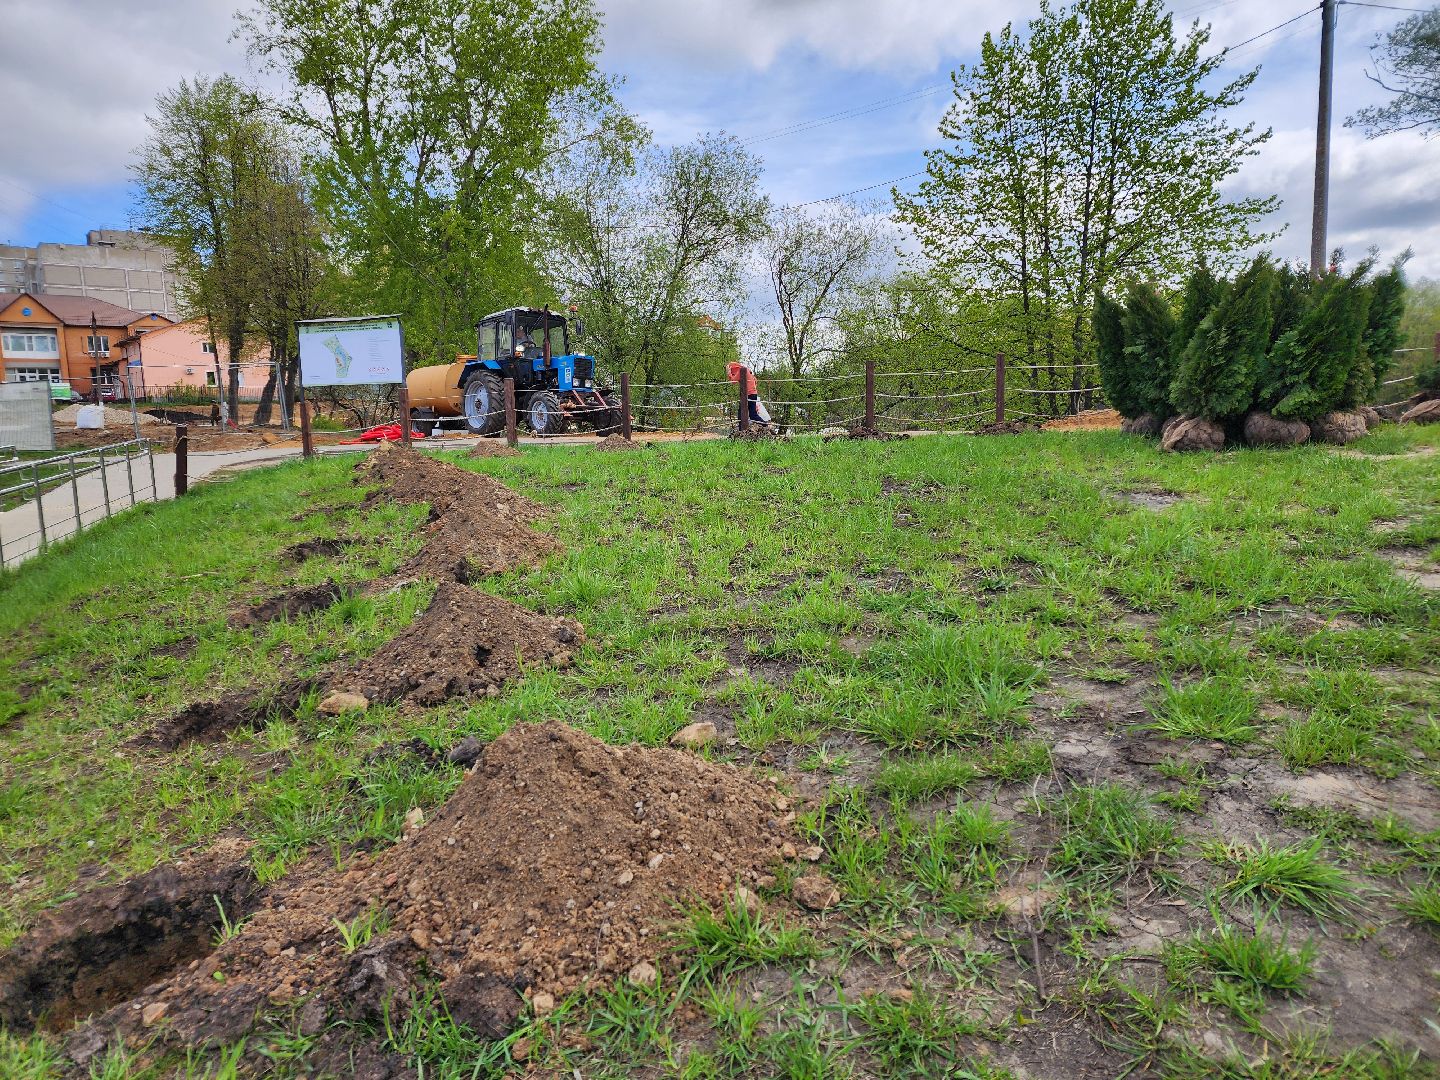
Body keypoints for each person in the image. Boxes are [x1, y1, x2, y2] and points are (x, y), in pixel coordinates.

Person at [725, 361, 771, 427]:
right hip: (753, 394)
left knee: (741, 414)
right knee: (753, 415)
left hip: (747, 395)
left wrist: (729, 373)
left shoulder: (741, 371)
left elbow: (733, 381)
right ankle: (765, 425)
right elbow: (755, 380)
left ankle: (742, 430)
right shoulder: (747, 370)